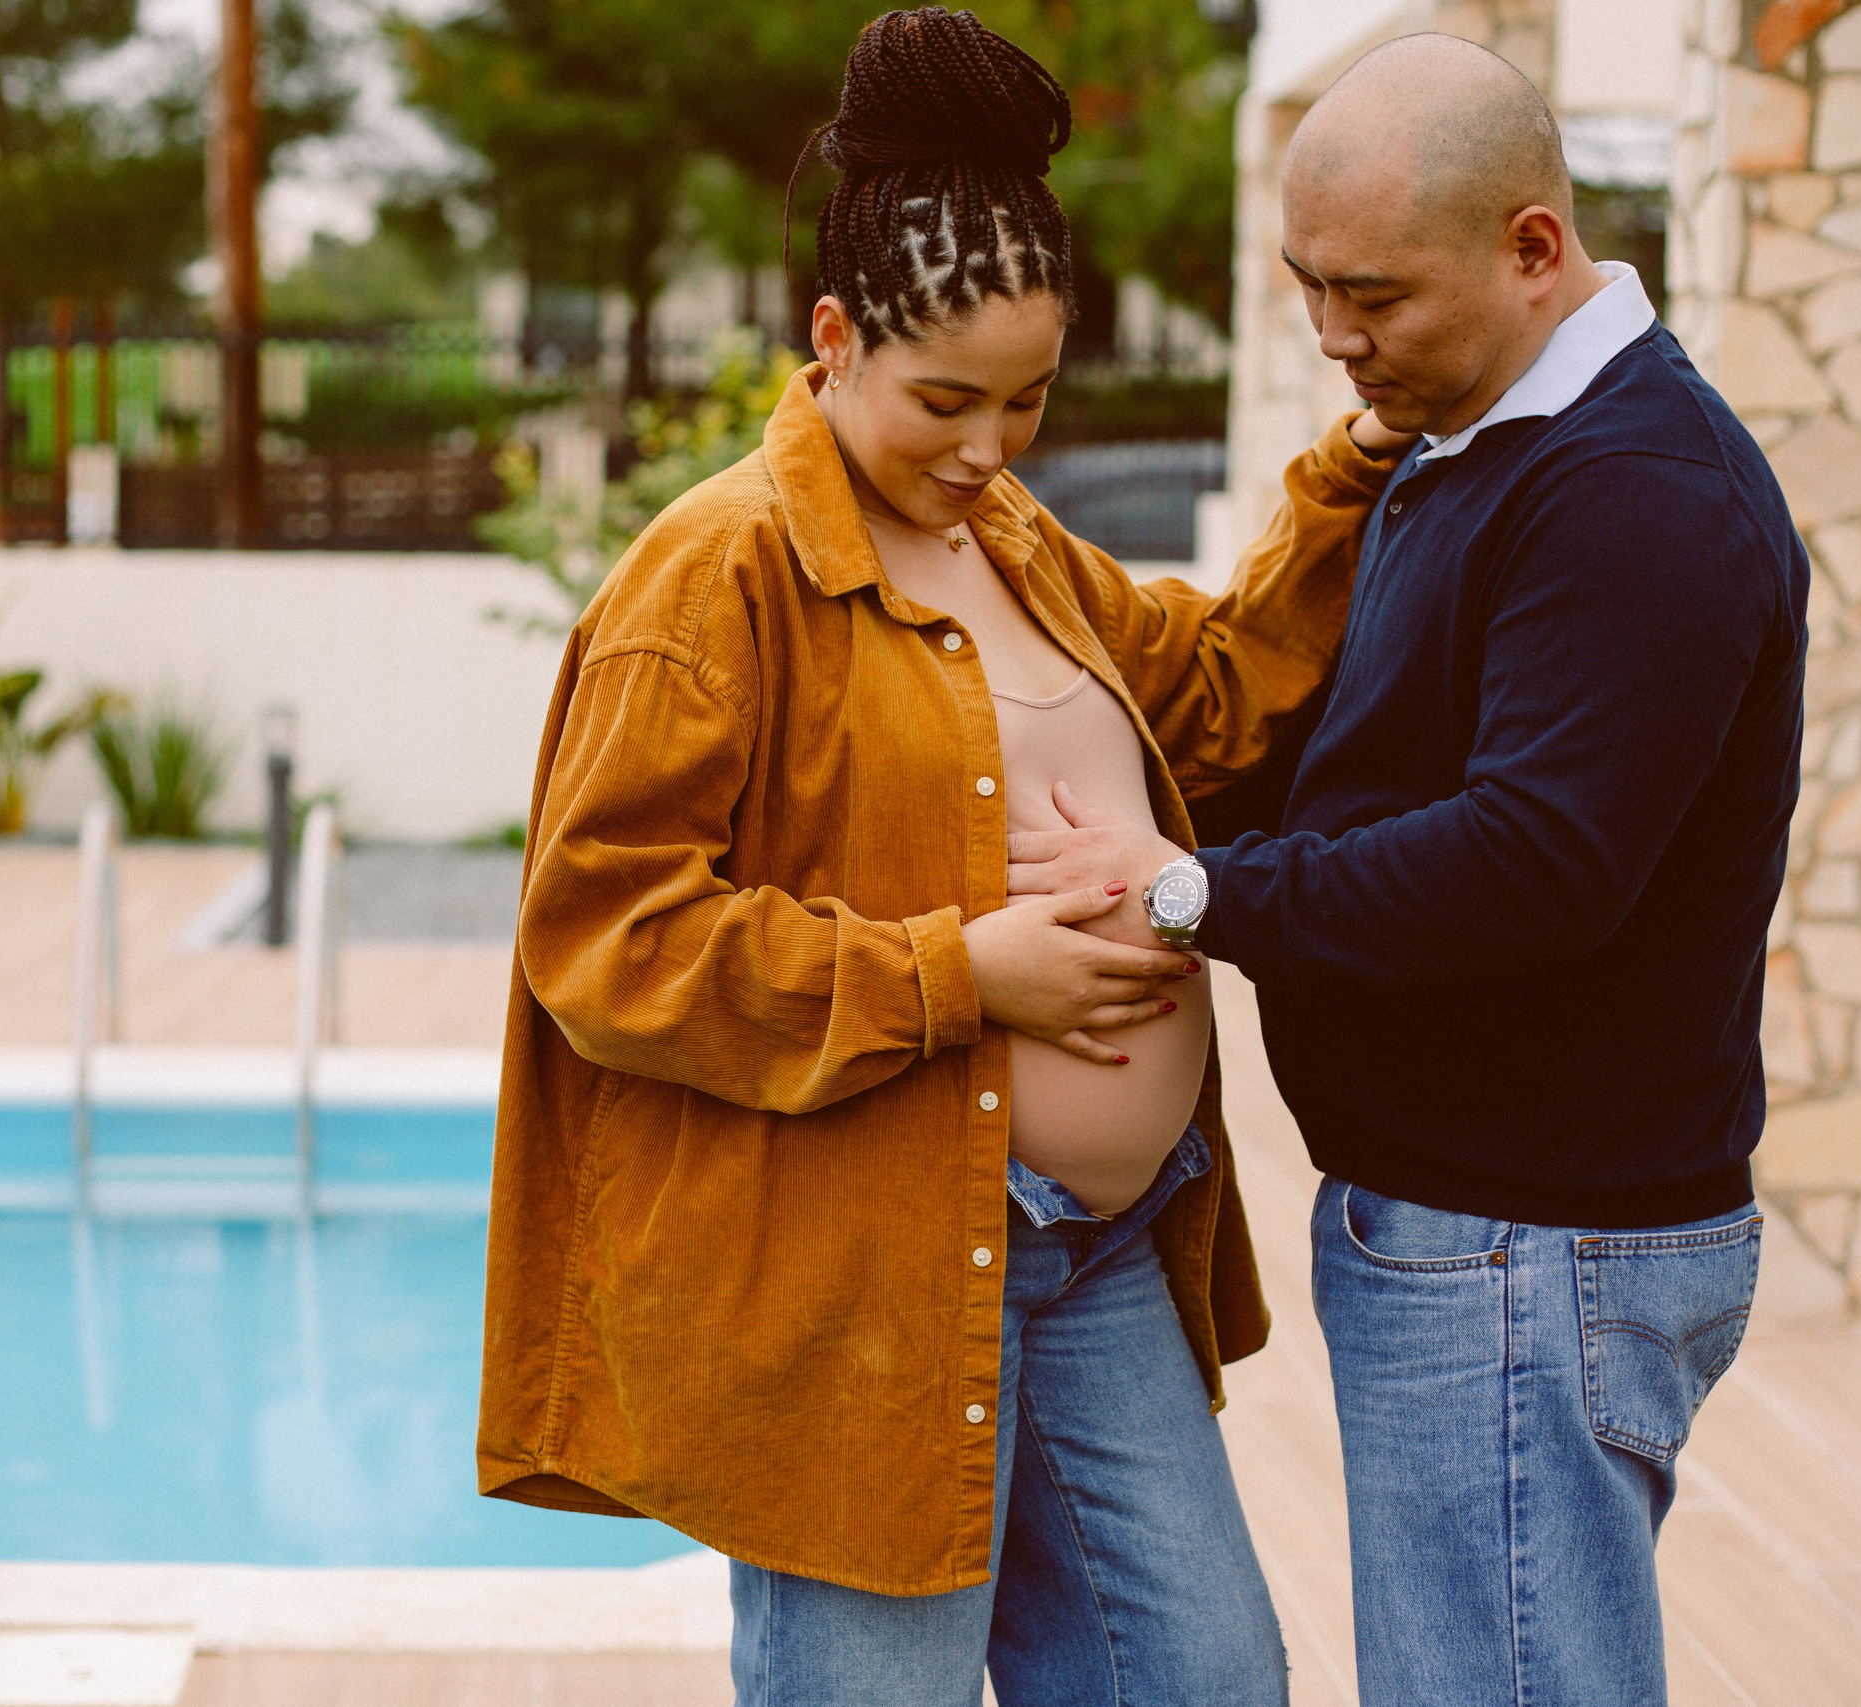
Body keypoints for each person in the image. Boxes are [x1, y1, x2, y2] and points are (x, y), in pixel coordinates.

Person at [476, 10, 1408, 1703]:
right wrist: (960, 974)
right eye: (946, 401)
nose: (988, 448)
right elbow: (609, 941)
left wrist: (1350, 475)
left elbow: (1206, 692)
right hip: (867, 1281)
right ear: (834, 339)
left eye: (1028, 400)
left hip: (1100, 1250)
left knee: (1205, 1683)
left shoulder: (1011, 534)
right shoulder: (715, 575)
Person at [1004, 33, 1805, 1707]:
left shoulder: (1634, 491)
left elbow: (1535, 862)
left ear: (1533, 248)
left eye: (1373, 294)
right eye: (1311, 285)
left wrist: (1192, 892)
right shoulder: (1478, 439)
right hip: (1484, 1235)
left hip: (1531, 1243)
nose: (1332, 335)